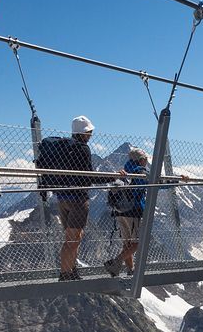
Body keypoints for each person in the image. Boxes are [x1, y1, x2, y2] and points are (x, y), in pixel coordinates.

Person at [104, 147, 188, 277]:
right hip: (134, 211)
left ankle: (130, 270)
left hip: (119, 212)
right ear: (141, 160)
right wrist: (177, 180)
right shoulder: (140, 171)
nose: (147, 161)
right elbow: (157, 182)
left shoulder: (125, 170)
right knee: (139, 241)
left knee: (127, 243)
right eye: (146, 159)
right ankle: (116, 262)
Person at [53, 115, 115, 281]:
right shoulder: (82, 149)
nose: (91, 135)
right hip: (78, 199)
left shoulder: (63, 148)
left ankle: (71, 271)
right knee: (72, 239)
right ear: (84, 132)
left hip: (62, 197)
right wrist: (113, 177)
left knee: (74, 237)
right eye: (89, 132)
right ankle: (65, 274)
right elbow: (89, 177)